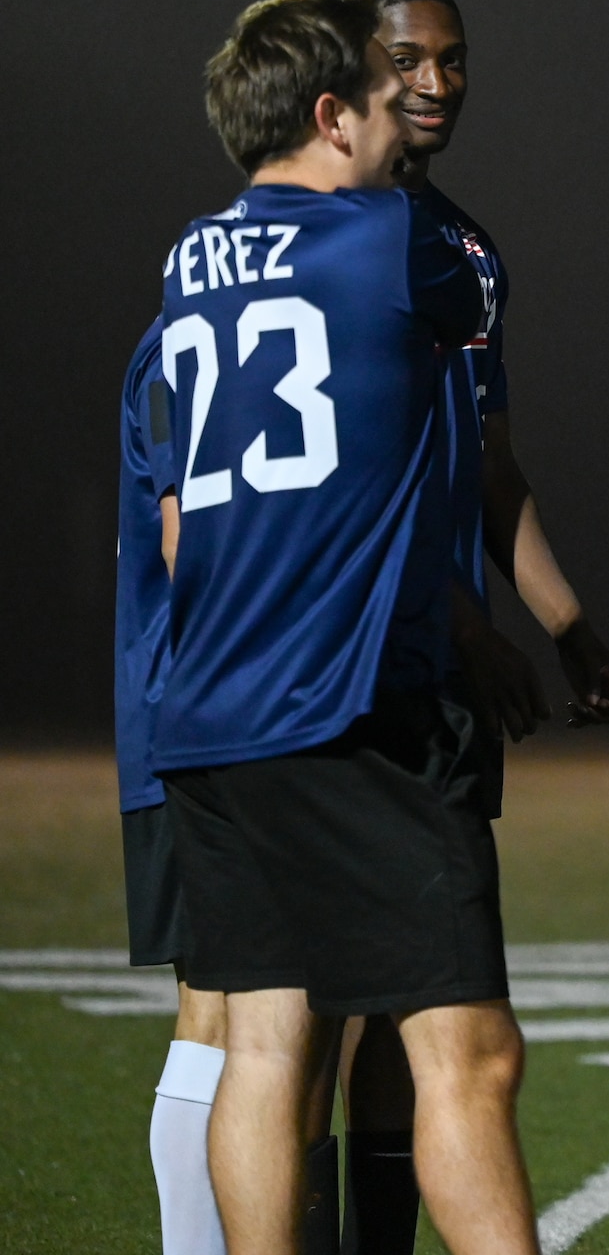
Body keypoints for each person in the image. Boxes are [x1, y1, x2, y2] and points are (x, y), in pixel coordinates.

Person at [155, 0, 538, 1255]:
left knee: (266, 1043)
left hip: (209, 707)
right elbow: (467, 365)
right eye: (385, 93)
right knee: (468, 1052)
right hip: (351, 707)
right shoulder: (394, 239)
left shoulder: (187, 258)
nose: (408, 112)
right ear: (331, 115)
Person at [331, 0, 609, 1255]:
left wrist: (564, 619)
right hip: (339, 664)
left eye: (456, 61)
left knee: (424, 1009)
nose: (439, 82)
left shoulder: (465, 251)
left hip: (437, 673)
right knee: (306, 1012)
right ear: (350, 66)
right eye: (410, 57)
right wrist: (466, 620)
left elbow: (484, 465)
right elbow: (354, 483)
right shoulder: (318, 238)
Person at [116, 318, 227, 1255]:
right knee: (221, 1007)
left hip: (234, 711)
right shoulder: (186, 338)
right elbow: (181, 542)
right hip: (199, 715)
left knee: (270, 1015)